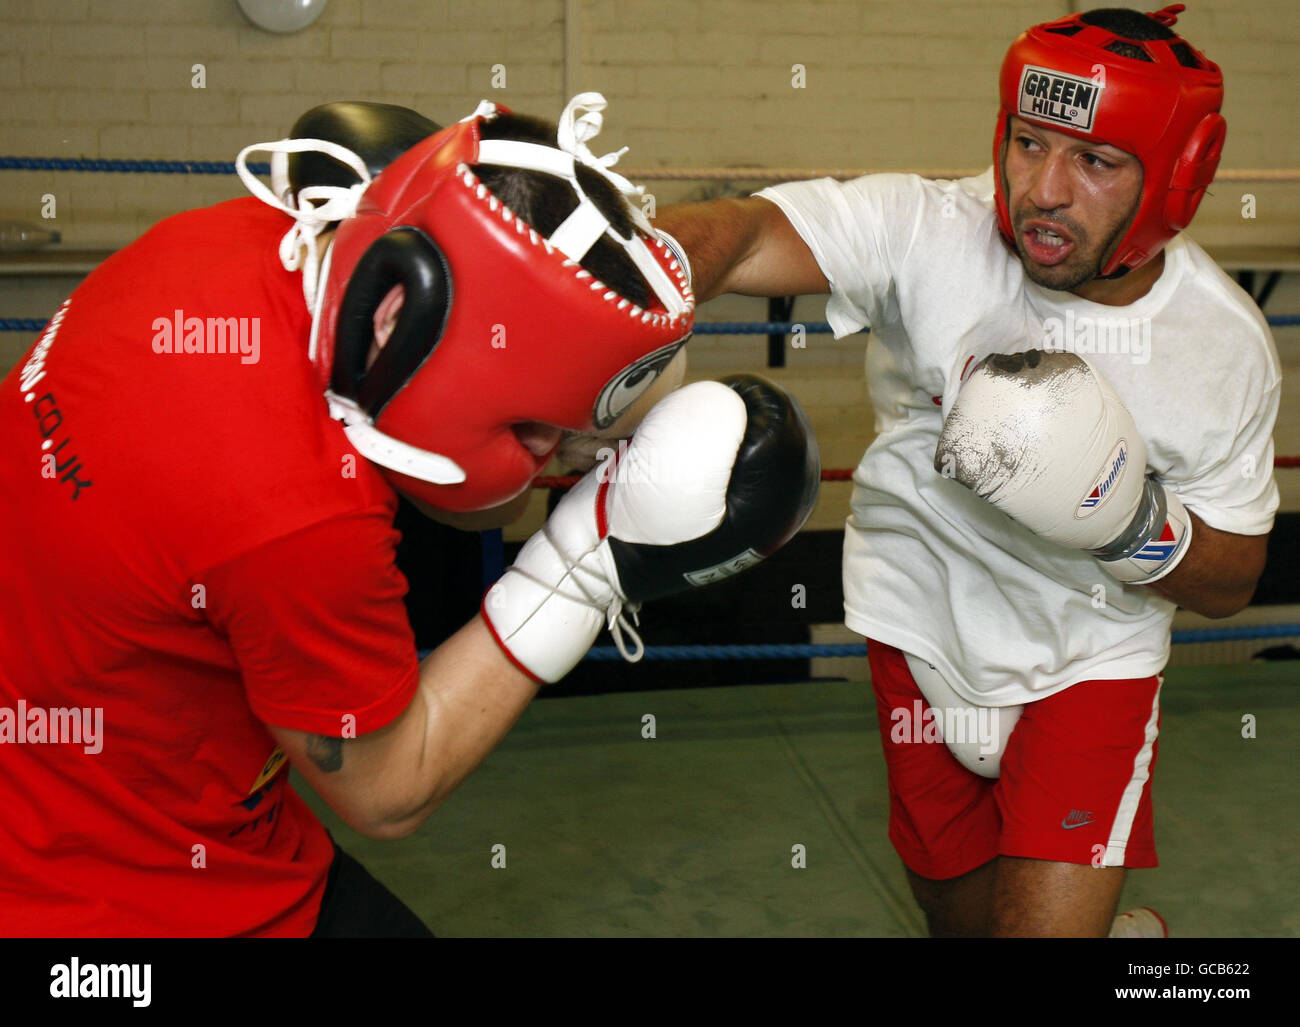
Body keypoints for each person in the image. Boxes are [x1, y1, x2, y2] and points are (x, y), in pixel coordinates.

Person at [0, 94, 819, 937]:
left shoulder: (243, 240)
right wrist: (585, 563)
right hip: (98, 893)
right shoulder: (299, 514)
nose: (547, 457)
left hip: (119, 767)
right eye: (533, 428)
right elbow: (389, 787)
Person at [655, 4, 1279, 937]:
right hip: (914, 625)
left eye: (1094, 162)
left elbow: (1235, 578)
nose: (1044, 191)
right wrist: (602, 265)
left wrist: (1125, 522)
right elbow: (744, 234)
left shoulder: (1222, 346)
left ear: (1177, 179)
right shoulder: (927, 230)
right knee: (962, 924)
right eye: (1028, 144)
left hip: (1088, 659)